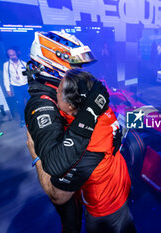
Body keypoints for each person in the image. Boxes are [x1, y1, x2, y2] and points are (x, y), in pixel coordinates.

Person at [27, 69, 136, 233]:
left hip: (105, 210)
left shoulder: (87, 147)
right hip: (118, 184)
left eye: (58, 90)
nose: (54, 90)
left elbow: (58, 195)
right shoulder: (99, 108)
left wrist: (36, 155)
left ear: (70, 105)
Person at [24, 31, 110, 232]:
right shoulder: (43, 104)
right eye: (75, 64)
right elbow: (57, 183)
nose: (79, 69)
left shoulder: (59, 90)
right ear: (53, 59)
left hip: (78, 176)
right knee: (71, 224)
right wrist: (36, 157)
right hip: (64, 186)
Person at [3, 47, 29, 127]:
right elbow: (6, 77)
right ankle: (22, 120)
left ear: (17, 54)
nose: (13, 56)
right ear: (8, 56)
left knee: (30, 103)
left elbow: (29, 76)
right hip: (16, 87)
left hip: (26, 86)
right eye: (10, 55)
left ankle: (31, 118)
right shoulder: (6, 65)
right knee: (20, 104)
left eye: (14, 54)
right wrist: (8, 89)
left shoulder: (24, 64)